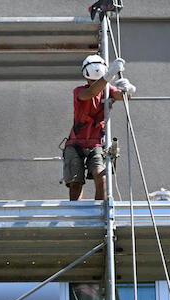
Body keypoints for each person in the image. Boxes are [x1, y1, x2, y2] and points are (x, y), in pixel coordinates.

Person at [63, 54, 135, 201]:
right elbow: (91, 93)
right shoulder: (79, 91)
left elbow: (121, 96)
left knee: (100, 176)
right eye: (92, 80)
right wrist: (109, 75)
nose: (94, 82)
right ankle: (77, 213)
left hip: (96, 143)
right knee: (75, 182)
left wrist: (128, 90)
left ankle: (99, 213)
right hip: (76, 143)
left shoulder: (107, 89)